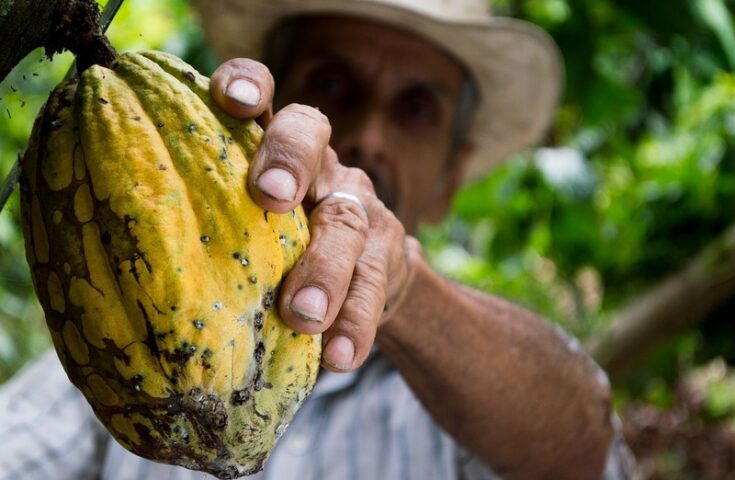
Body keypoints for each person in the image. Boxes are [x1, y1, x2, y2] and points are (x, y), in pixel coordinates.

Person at [0, 0, 634, 479]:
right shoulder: (112, 330)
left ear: (452, 177)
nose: (368, 135)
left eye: (416, 108)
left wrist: (402, 289)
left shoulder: (471, 402)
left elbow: (583, 442)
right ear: (258, 104)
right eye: (332, 85)